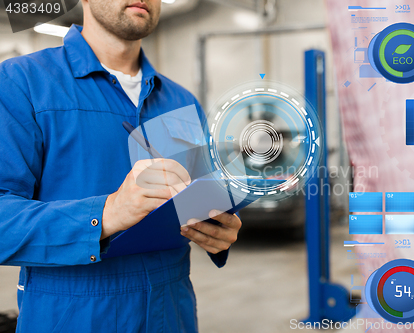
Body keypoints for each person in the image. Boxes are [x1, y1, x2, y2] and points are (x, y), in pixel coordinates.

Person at [0, 0, 242, 332]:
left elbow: (199, 200)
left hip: (172, 314)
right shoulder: (21, 83)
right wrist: (108, 213)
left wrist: (220, 227)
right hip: (71, 318)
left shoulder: (181, 101)